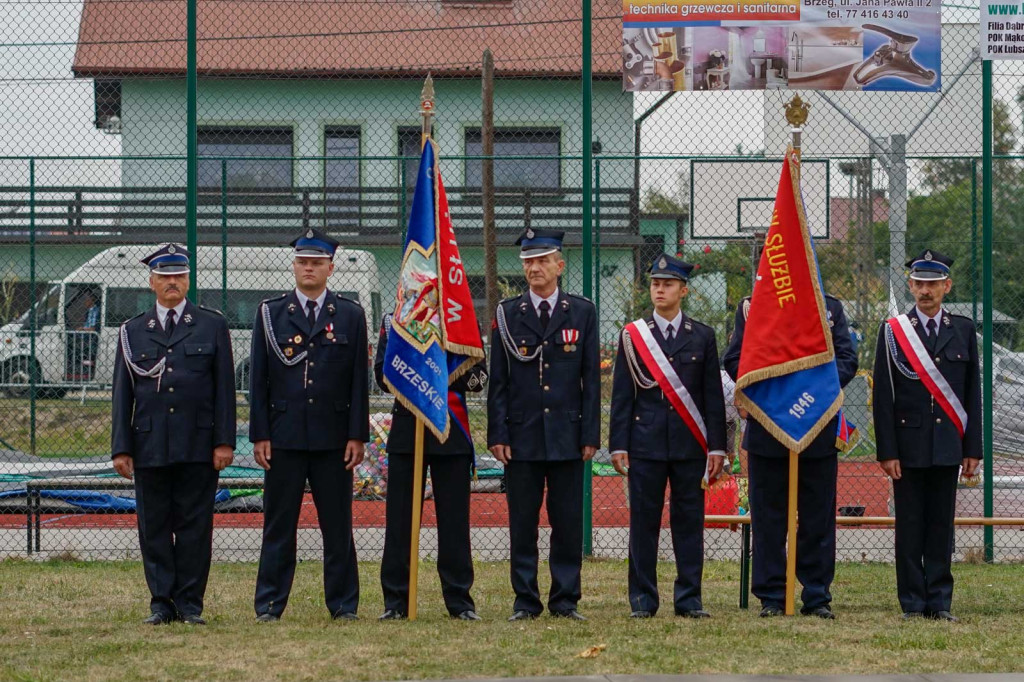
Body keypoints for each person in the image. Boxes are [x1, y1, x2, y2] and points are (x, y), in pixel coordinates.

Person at [110, 243, 236, 625]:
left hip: (198, 444)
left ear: (188, 280)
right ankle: (161, 602)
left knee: (196, 527)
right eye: (165, 277)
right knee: (154, 527)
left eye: (179, 276)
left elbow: (224, 392)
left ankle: (190, 604)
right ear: (152, 282)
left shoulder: (212, 325)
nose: (172, 283)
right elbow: (122, 394)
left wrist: (224, 441)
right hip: (149, 444)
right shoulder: (133, 331)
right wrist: (121, 448)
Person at [249, 228, 369, 622]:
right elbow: (259, 381)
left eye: (317, 262)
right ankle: (269, 604)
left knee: (337, 528)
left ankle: (343, 605)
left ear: (331, 268)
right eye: (303, 261)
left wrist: (357, 434)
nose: (309, 268)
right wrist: (260, 434)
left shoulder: (350, 315)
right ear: (294, 265)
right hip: (282, 438)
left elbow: (357, 382)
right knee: (278, 526)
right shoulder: (270, 313)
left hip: (333, 438)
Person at [487, 228, 600, 621]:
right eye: (528, 262)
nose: (534, 268)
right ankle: (525, 600)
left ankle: (565, 600)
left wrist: (590, 434)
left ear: (559, 266)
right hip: (521, 436)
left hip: (568, 434)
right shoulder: (507, 313)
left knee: (567, 521)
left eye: (541, 261)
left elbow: (590, 379)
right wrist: (497, 432)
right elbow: (497, 382)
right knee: (523, 521)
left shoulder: (582, 312)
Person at [723, 290, 858, 619]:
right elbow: (734, 359)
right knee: (769, 520)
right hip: (768, 427)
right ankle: (771, 595)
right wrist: (777, 393)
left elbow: (847, 359)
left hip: (816, 428)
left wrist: (809, 392)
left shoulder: (830, 308)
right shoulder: (753, 307)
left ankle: (816, 595)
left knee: (817, 520)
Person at [609, 253, 727, 619]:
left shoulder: (703, 336)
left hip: (689, 445)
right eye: (656, 284)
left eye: (668, 284)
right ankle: (643, 600)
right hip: (644, 444)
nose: (660, 290)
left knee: (688, 523)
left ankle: (689, 598)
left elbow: (711, 397)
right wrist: (618, 443)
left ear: (684, 291)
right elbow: (622, 394)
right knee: (643, 523)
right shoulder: (633, 336)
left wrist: (717, 446)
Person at [872, 249, 981, 622]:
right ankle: (913, 603)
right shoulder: (893, 332)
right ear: (910, 284)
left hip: (949, 445)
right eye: (919, 284)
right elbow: (883, 396)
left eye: (933, 284)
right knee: (909, 526)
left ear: (946, 286)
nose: (925, 291)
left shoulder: (963, 330)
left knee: (940, 526)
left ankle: (940, 601)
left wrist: (973, 449)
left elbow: (972, 394)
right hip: (908, 446)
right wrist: (887, 450)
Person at [374, 314, 488, 621]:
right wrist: (416, 376)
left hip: (451, 431)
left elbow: (480, 377)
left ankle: (460, 600)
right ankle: (396, 601)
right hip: (408, 432)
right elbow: (380, 375)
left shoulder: (463, 319)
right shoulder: (396, 319)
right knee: (400, 520)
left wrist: (439, 375)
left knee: (454, 522)